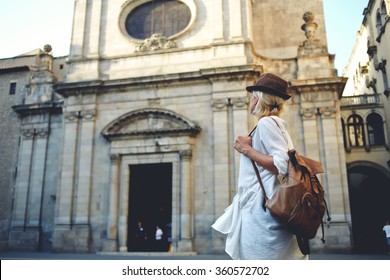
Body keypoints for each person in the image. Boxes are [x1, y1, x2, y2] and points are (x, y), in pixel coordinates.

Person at [212, 73, 307, 260]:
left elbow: (280, 164)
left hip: (262, 212)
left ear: (258, 99)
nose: (250, 100)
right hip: (266, 208)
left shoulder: (266, 123)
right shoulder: (274, 125)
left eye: (252, 96)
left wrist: (245, 149)